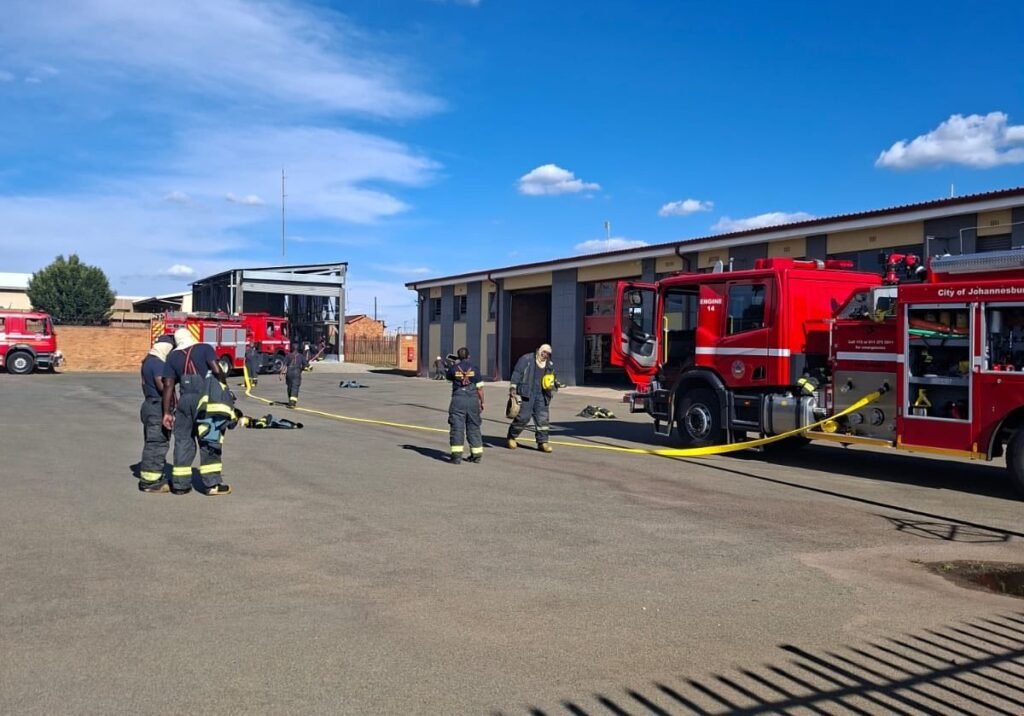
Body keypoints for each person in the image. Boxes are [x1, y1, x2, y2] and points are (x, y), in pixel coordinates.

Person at [162, 327, 233, 496]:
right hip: (205, 400)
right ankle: (212, 484)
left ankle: (180, 485)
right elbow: (217, 370)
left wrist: (167, 412)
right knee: (209, 438)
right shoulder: (204, 348)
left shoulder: (172, 356)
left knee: (183, 440)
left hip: (184, 401)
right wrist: (224, 389)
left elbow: (168, 385)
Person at [137, 335, 175, 493]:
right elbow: (162, 385)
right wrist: (172, 383)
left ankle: (154, 475)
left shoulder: (147, 361)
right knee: (157, 443)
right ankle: (150, 482)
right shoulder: (158, 363)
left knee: (153, 442)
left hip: (148, 405)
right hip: (157, 407)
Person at [507, 343, 557, 453]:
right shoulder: (526, 359)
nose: (545, 355)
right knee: (523, 417)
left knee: (542, 420)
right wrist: (513, 388)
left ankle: (542, 442)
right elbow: (517, 373)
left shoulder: (549, 364)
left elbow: (552, 378)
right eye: (543, 352)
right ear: (539, 350)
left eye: (548, 354)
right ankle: (512, 437)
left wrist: (553, 387)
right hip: (527, 393)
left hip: (542, 395)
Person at [446, 347, 485, 464]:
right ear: (469, 356)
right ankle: (476, 455)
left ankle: (457, 457)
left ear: (458, 357)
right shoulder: (475, 369)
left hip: (458, 400)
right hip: (473, 400)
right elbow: (480, 389)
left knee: (457, 428)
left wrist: (454, 366)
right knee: (474, 427)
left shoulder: (453, 369)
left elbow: (449, 380)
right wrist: (482, 402)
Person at [281, 342, 308, 408]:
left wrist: (281, 374)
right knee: (295, 387)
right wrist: (305, 368)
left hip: (289, 373)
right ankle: (292, 403)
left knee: (289, 387)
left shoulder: (288, 355)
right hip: (297, 373)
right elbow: (306, 365)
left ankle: (290, 400)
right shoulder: (301, 356)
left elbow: (284, 365)